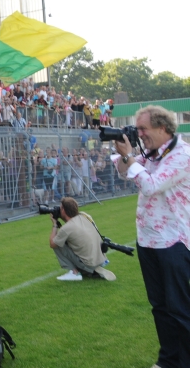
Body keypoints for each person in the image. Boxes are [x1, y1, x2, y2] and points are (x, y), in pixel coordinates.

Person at [114, 105, 190, 368]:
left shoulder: (182, 154)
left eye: (144, 128)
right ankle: (168, 360)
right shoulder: (153, 153)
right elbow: (125, 174)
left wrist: (132, 159)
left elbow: (151, 185)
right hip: (148, 239)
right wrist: (125, 156)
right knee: (159, 307)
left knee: (179, 308)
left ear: (163, 128)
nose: (140, 133)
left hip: (173, 241)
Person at [49, 197, 116, 281]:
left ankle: (75, 273)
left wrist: (55, 224)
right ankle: (94, 268)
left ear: (63, 210)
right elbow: (72, 226)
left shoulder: (67, 228)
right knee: (65, 240)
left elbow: (52, 243)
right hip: (100, 258)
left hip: (88, 263)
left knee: (57, 243)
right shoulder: (84, 215)